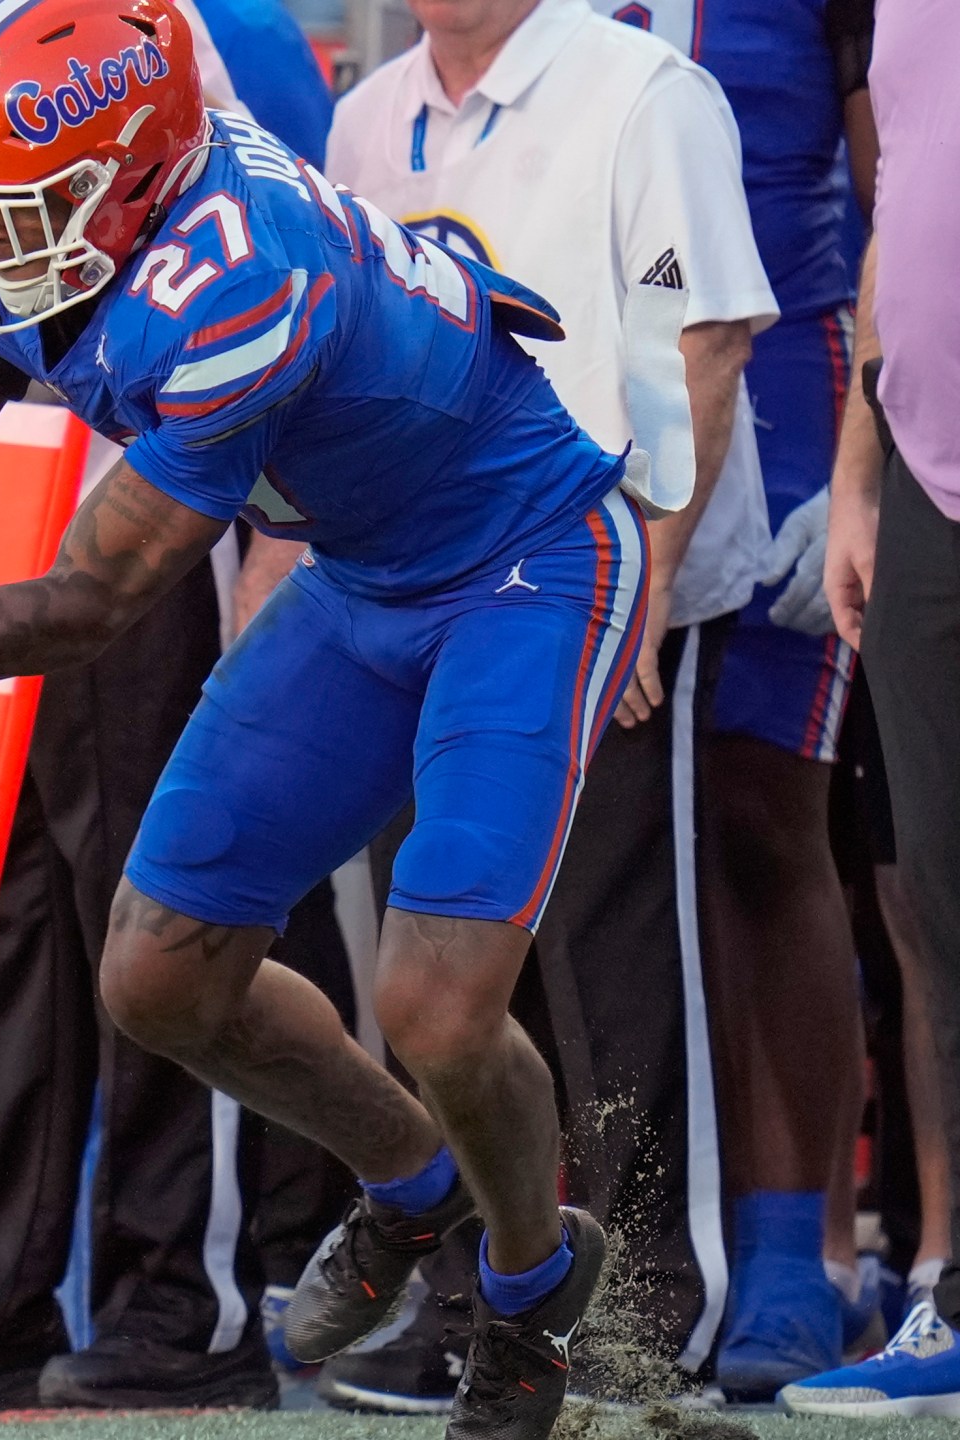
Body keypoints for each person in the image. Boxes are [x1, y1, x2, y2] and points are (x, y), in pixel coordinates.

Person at [0, 0, 665, 1434]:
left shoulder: (243, 282)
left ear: (132, 182)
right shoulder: (65, 221)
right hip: (366, 566)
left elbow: (86, 603)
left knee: (437, 1004)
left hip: (527, 561)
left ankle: (527, 1292)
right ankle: (410, 1185)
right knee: (158, 979)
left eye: (29, 208)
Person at [0, 0, 347, 1411]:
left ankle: (188, 1295)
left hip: (133, 480)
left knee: (153, 899)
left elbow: (266, 261)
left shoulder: (123, 29)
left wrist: (269, 544)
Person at [324, 0, 776, 1404]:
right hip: (424, 601)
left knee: (610, 968)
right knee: (439, 976)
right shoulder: (361, 116)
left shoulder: (645, 89)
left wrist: (639, 593)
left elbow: (701, 356)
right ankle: (479, 1306)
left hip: (603, 586)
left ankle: (639, 1316)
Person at [592, 0, 879, 1395]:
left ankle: (792, 1248)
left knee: (767, 810)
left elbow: (915, 179)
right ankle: (604, 1234)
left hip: (787, 367)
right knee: (616, 830)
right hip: (589, 377)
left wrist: (874, 441)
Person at [791, 0, 960, 1411]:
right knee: (942, 908)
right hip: (923, 480)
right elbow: (898, 214)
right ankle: (958, 1300)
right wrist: (858, 474)